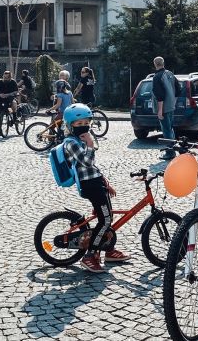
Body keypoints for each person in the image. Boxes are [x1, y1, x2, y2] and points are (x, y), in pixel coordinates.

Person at [62, 104, 129, 272]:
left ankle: (108, 250)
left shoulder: (80, 140)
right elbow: (87, 162)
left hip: (96, 183)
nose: (83, 126)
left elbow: (93, 168)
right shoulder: (71, 143)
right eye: (78, 124)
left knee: (107, 215)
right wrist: (90, 143)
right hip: (90, 186)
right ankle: (89, 256)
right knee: (105, 219)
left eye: (86, 122)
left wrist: (105, 182)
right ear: (70, 126)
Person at [152, 57, 177, 160]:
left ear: (155, 64)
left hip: (164, 108)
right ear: (163, 63)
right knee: (170, 129)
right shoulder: (170, 73)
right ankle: (174, 149)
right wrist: (173, 101)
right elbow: (178, 89)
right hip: (171, 107)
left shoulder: (157, 77)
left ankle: (170, 153)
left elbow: (160, 95)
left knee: (166, 131)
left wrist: (160, 111)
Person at [0, 70, 18, 137]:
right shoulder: (0, 82)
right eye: (5, 77)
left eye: (7, 77)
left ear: (10, 77)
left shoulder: (13, 82)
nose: (6, 78)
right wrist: (0, 94)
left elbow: (16, 91)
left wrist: (8, 94)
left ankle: (15, 117)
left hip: (10, 98)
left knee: (14, 103)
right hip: (1, 99)